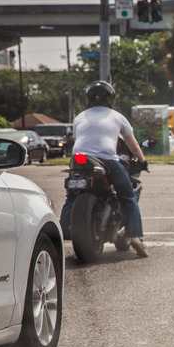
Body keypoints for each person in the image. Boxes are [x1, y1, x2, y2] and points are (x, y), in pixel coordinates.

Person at [60, 80, 149, 258]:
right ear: (111, 99)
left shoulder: (79, 117)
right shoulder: (117, 117)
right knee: (128, 196)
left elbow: (80, 138)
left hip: (79, 159)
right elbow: (134, 145)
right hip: (106, 159)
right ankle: (135, 236)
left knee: (72, 196)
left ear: (89, 98)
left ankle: (61, 231)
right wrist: (143, 161)